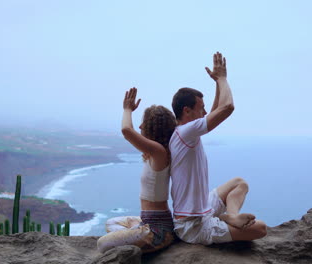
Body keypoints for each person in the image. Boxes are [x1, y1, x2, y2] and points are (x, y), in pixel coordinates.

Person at [169, 52, 267, 245]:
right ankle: (227, 220)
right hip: (192, 226)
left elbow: (214, 113)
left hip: (202, 208)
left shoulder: (182, 132)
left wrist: (216, 83)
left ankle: (231, 217)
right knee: (260, 228)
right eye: (201, 108)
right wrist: (223, 79)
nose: (205, 112)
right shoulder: (186, 131)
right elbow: (227, 107)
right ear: (186, 111)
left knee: (240, 183)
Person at [97, 87, 177, 253]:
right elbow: (131, 132)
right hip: (147, 221)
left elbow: (127, 131)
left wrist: (127, 109)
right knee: (111, 223)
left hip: (158, 229)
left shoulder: (160, 152)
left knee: (102, 244)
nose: (140, 125)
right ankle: (139, 232)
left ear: (153, 128)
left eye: (145, 123)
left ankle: (150, 237)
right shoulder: (153, 154)